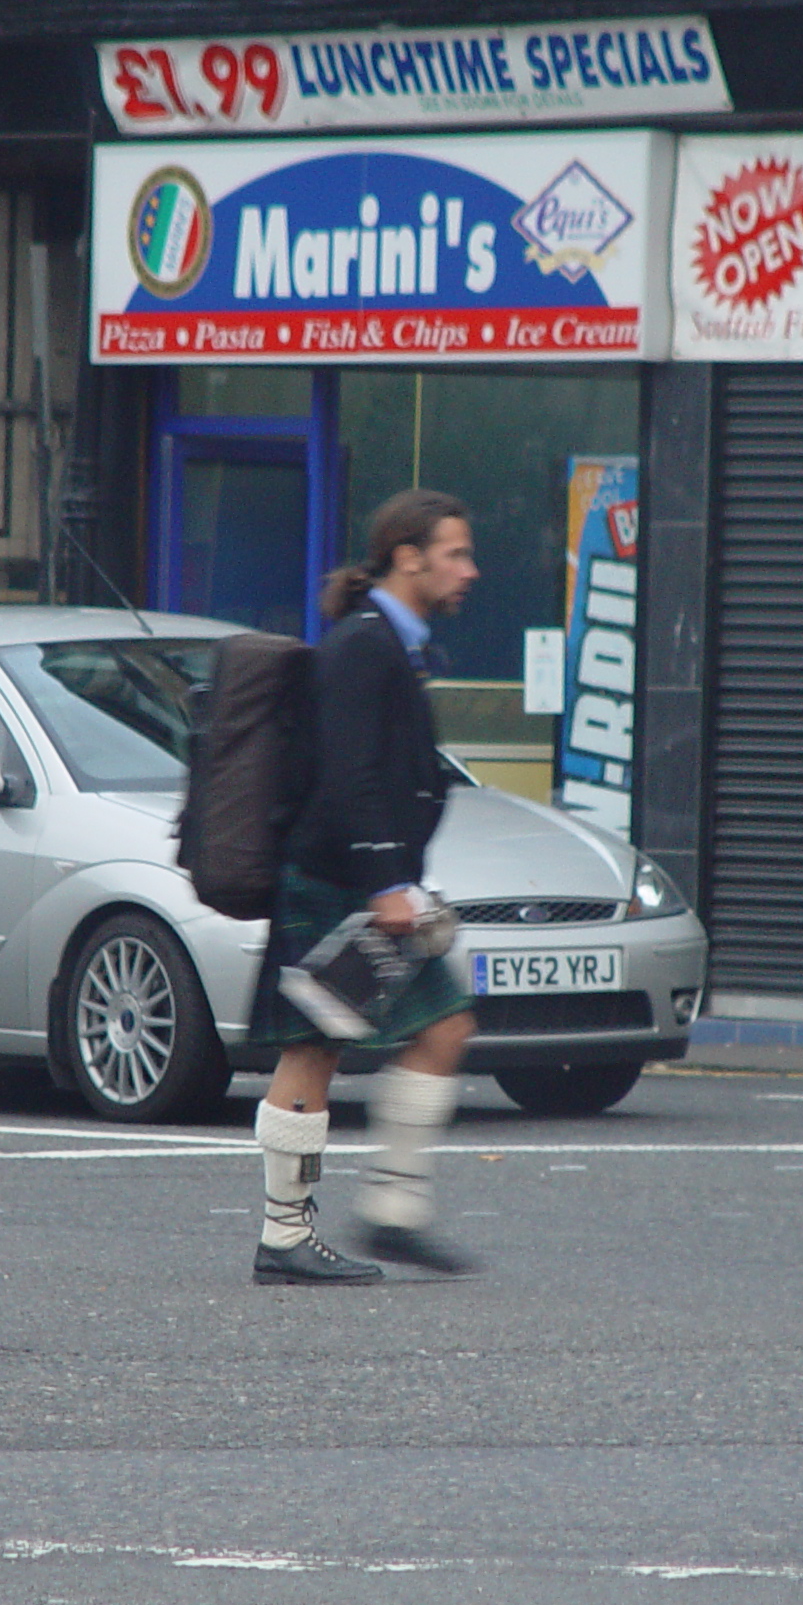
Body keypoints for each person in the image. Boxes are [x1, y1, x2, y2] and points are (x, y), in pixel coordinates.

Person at [246, 489, 482, 1285]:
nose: (469, 571)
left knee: (444, 1029)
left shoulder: (396, 645)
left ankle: (393, 1211)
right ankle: (283, 1236)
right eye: (454, 554)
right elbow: (350, 775)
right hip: (335, 883)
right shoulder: (361, 646)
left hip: (373, 886)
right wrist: (387, 882)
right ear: (407, 557)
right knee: (313, 1053)